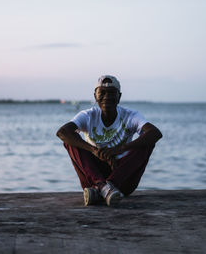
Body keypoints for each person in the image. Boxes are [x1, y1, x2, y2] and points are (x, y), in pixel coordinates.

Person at [56, 75, 162, 206]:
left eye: (112, 93)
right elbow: (62, 132)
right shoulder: (88, 115)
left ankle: (108, 186)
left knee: (147, 142)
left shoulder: (130, 115)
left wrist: (119, 150)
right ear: (95, 96)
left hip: (123, 178)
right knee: (70, 140)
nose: (107, 97)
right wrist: (95, 151)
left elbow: (155, 133)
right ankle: (102, 187)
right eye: (102, 93)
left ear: (119, 97)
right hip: (93, 177)